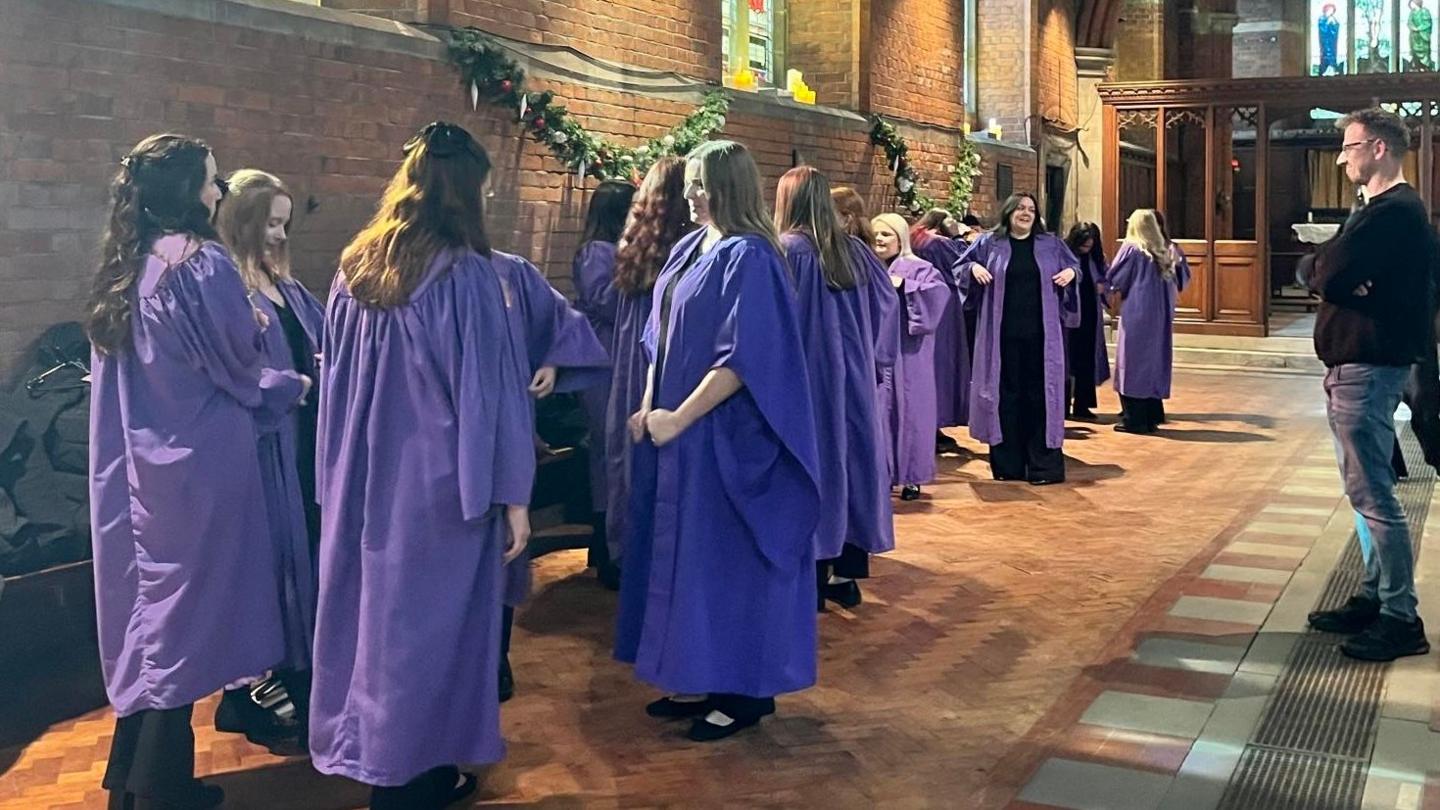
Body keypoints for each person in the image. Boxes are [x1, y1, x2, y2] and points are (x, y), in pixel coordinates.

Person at [309, 122, 535, 808]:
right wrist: (513, 495)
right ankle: (412, 780)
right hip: (438, 486)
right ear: (467, 191)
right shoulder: (466, 276)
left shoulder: (354, 267)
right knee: (430, 633)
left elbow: (333, 384)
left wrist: (332, 478)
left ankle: (397, 761)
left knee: (375, 627)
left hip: (362, 480)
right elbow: (489, 394)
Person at [88, 134, 309, 810]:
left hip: (138, 469)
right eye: (212, 182)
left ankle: (135, 782)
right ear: (186, 190)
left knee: (152, 629)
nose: (218, 193)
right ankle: (159, 792)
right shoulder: (198, 264)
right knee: (183, 634)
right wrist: (290, 385)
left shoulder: (131, 263)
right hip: (195, 471)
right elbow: (240, 369)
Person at [618, 140, 820, 742]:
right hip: (677, 431)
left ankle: (743, 691)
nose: (689, 195)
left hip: (724, 435)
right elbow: (659, 335)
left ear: (729, 185)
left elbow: (744, 358)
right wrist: (650, 403)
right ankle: (703, 672)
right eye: (688, 184)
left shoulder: (750, 256)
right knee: (688, 561)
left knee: (728, 563)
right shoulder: (687, 248)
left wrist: (679, 417)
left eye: (700, 184)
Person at [1303, 107, 1436, 662]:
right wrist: (1327, 272)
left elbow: (1328, 274)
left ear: (1378, 148)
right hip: (1355, 364)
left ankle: (1400, 617)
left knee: (1375, 495)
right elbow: (1325, 270)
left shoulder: (1393, 213)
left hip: (1368, 364)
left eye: (1349, 146)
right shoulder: (1377, 211)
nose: (1341, 157)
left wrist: (1329, 274)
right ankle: (1376, 596)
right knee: (1364, 494)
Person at [211, 169, 325, 746]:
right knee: (266, 571)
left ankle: (295, 683)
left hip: (301, 445)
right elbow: (236, 374)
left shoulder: (290, 289)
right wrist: (293, 385)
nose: (280, 235)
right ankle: (253, 691)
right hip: (261, 451)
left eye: (285, 223)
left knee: (301, 559)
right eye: (271, 223)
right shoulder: (228, 291)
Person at [775, 166, 897, 612]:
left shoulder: (784, 252)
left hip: (804, 383)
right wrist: (875, 364)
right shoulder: (855, 253)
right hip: (853, 381)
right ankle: (845, 574)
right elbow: (887, 310)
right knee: (851, 465)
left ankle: (807, 578)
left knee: (811, 469)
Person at [607, 158, 694, 599]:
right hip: (661, 361)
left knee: (627, 457)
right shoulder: (688, 249)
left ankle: (629, 556)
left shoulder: (635, 242)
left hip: (628, 363)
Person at [956, 192, 1080, 484]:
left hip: (1041, 338)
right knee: (1005, 398)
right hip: (1001, 338)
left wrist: (1071, 274)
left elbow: (1075, 268)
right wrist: (972, 267)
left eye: (1031, 209)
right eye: (1020, 208)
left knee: (1041, 398)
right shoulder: (989, 243)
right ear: (1009, 212)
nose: (1026, 213)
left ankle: (1043, 467)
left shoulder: (1051, 245)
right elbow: (960, 267)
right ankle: (1008, 465)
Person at [571, 179, 636, 588]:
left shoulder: (612, 250)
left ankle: (608, 545)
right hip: (605, 362)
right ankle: (610, 551)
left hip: (617, 359)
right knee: (610, 453)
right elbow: (607, 301)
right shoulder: (597, 252)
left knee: (614, 455)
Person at [873, 213, 952, 501]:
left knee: (911, 413)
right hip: (876, 352)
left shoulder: (919, 268)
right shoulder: (867, 269)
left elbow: (938, 296)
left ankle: (911, 477)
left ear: (901, 238)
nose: (879, 240)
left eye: (886, 235)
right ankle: (880, 474)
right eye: (876, 235)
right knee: (879, 413)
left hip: (909, 354)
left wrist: (905, 287)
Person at [1107, 210, 1190, 434]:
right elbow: (1182, 279)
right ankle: (1152, 416)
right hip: (1161, 315)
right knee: (1154, 361)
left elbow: (1115, 279)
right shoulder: (1167, 250)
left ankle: (1135, 420)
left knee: (1132, 364)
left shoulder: (1132, 249)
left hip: (1137, 313)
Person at [912, 209, 970, 449]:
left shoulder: (915, 238)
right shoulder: (940, 242)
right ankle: (934, 425)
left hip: (920, 304)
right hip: (944, 306)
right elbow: (963, 262)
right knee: (943, 366)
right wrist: (958, 237)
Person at [1063, 222, 1110, 420]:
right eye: (1084, 242)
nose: (1087, 246)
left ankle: (1083, 404)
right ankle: (1063, 405)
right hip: (1068, 315)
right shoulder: (1064, 254)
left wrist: (1103, 287)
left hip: (1090, 315)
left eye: (1091, 242)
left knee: (1087, 359)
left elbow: (1107, 278)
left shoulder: (1096, 258)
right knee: (1066, 360)